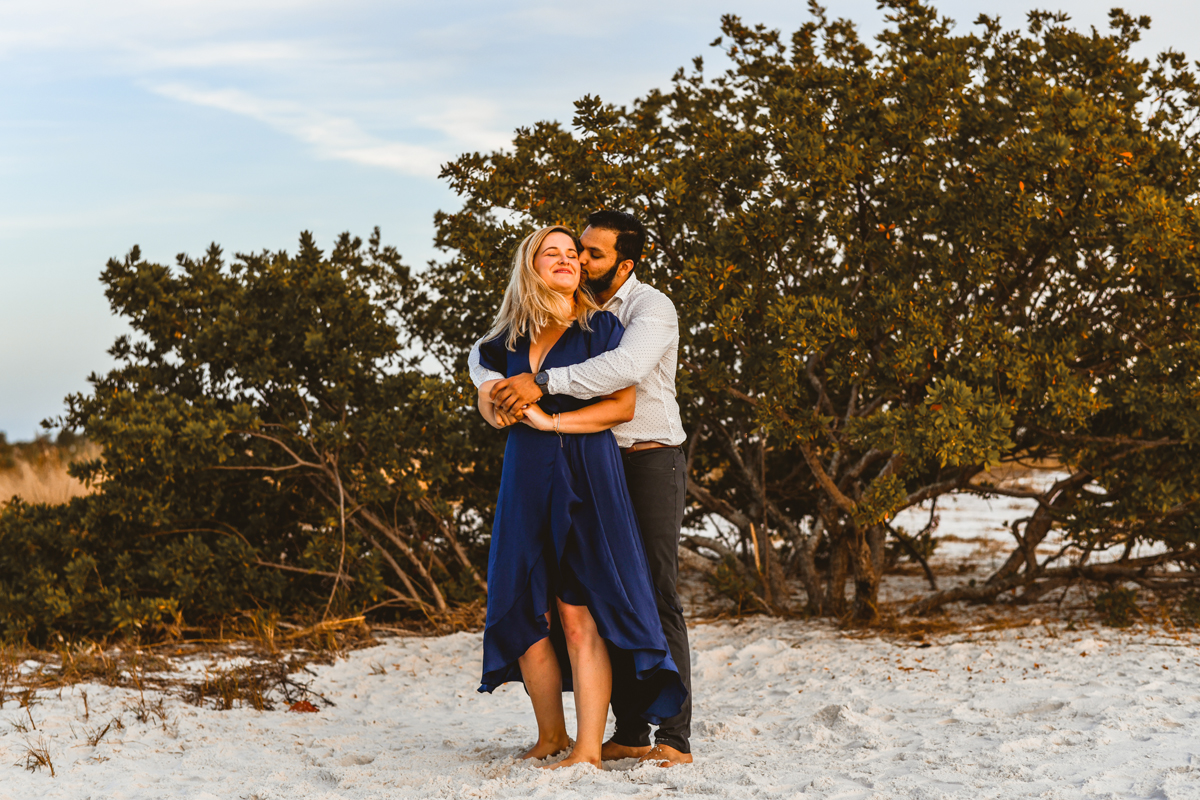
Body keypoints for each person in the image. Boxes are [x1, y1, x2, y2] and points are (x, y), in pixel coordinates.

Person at [469, 210, 694, 768]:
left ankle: (674, 735)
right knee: (561, 598)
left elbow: (625, 375)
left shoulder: (642, 311)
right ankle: (629, 729)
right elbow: (483, 365)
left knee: (646, 591)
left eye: (590, 254)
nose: (580, 260)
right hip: (581, 463)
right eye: (569, 251)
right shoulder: (519, 331)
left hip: (645, 458)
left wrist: (542, 400)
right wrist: (492, 397)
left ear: (624, 263)